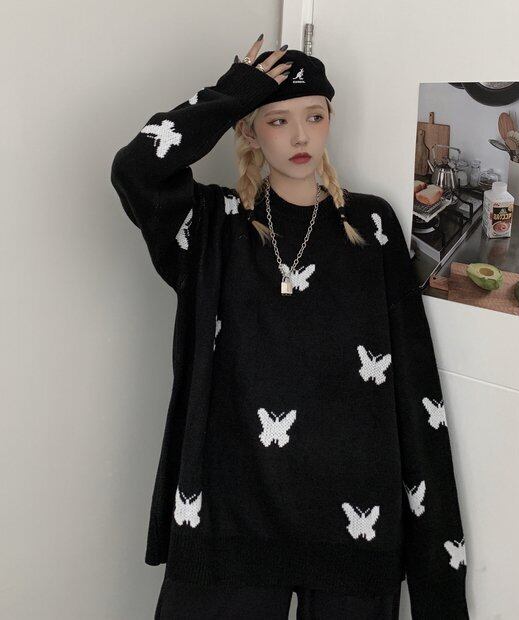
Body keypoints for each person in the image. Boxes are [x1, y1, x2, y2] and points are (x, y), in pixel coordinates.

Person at [110, 34, 469, 619]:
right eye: (278, 120)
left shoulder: (372, 224)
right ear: (250, 132)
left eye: (314, 116)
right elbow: (135, 169)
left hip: (355, 518)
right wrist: (231, 95)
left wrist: (439, 586)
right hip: (230, 516)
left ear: (330, 120)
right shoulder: (213, 225)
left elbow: (415, 385)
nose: (301, 137)